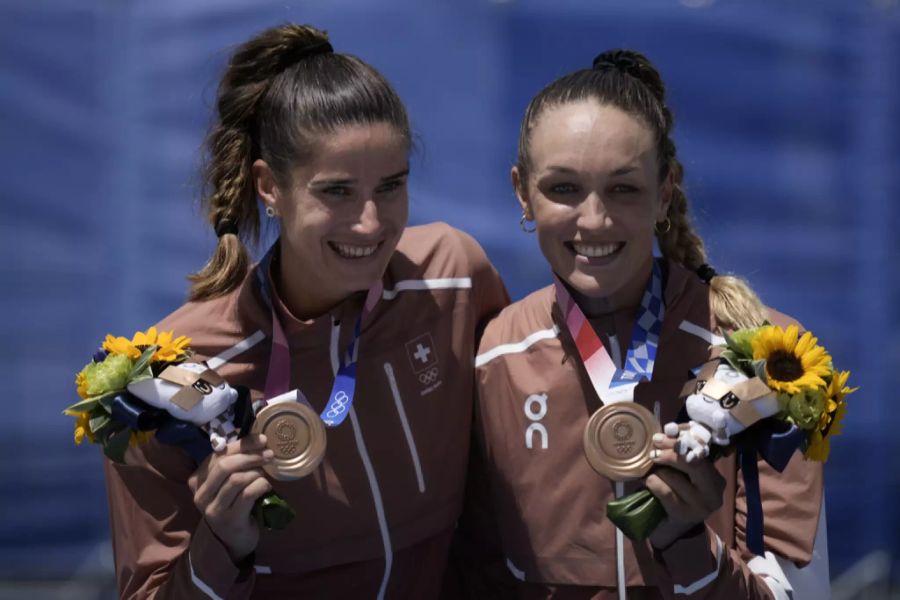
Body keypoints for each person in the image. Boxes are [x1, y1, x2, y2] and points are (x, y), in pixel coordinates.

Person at [103, 23, 508, 599]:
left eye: (390, 187)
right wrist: (222, 543)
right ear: (270, 187)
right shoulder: (167, 374)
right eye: (337, 191)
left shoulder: (453, 277)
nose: (370, 224)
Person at [447, 50, 827, 599]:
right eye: (563, 188)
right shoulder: (494, 356)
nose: (594, 218)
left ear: (665, 190)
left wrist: (687, 540)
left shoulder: (769, 361)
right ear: (521, 192)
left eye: (623, 188)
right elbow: (478, 575)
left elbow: (800, 591)